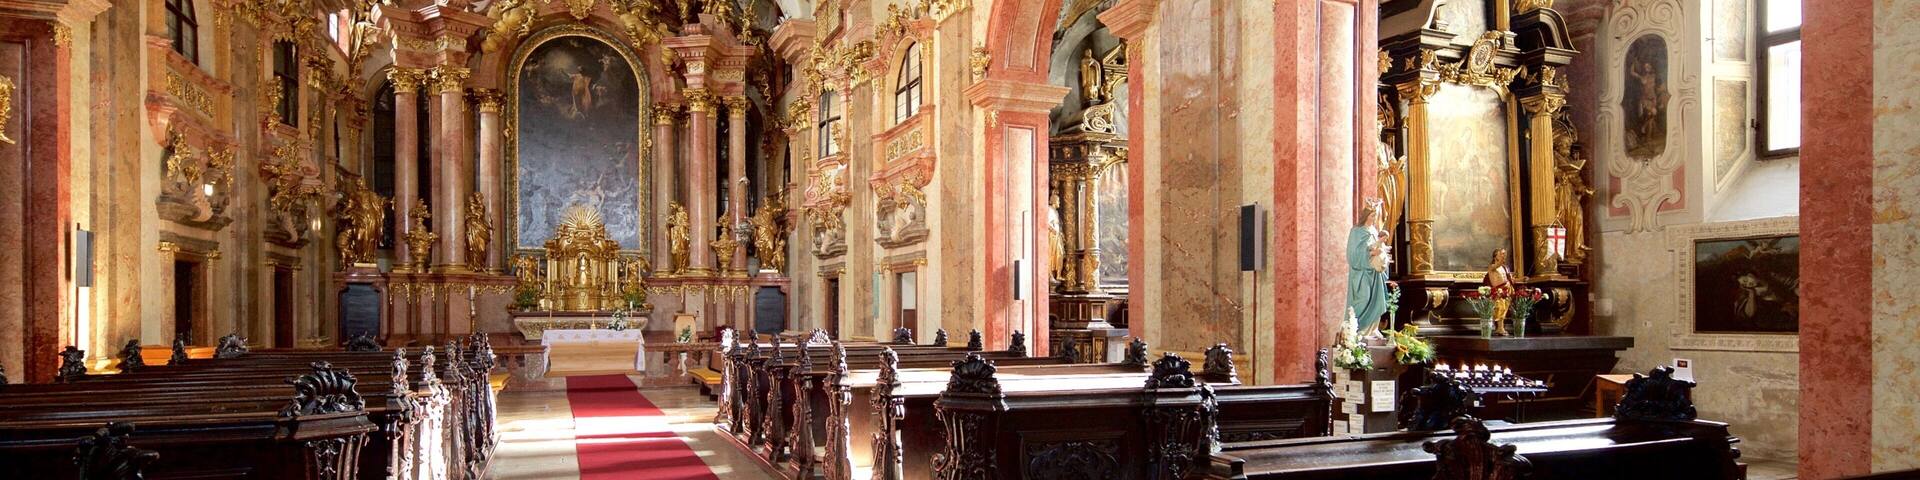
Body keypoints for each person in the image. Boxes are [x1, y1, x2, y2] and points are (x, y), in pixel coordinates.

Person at [1347, 199, 1391, 337]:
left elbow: (1377, 246)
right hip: (1361, 273)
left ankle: (1372, 329)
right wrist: (1371, 253)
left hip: (1374, 273)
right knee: (1364, 298)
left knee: (1376, 300)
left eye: (1376, 216)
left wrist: (1383, 252)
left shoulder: (1373, 230)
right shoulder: (1356, 231)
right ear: (1365, 216)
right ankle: (1359, 330)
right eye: (1372, 215)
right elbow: (1352, 254)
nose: (1374, 218)